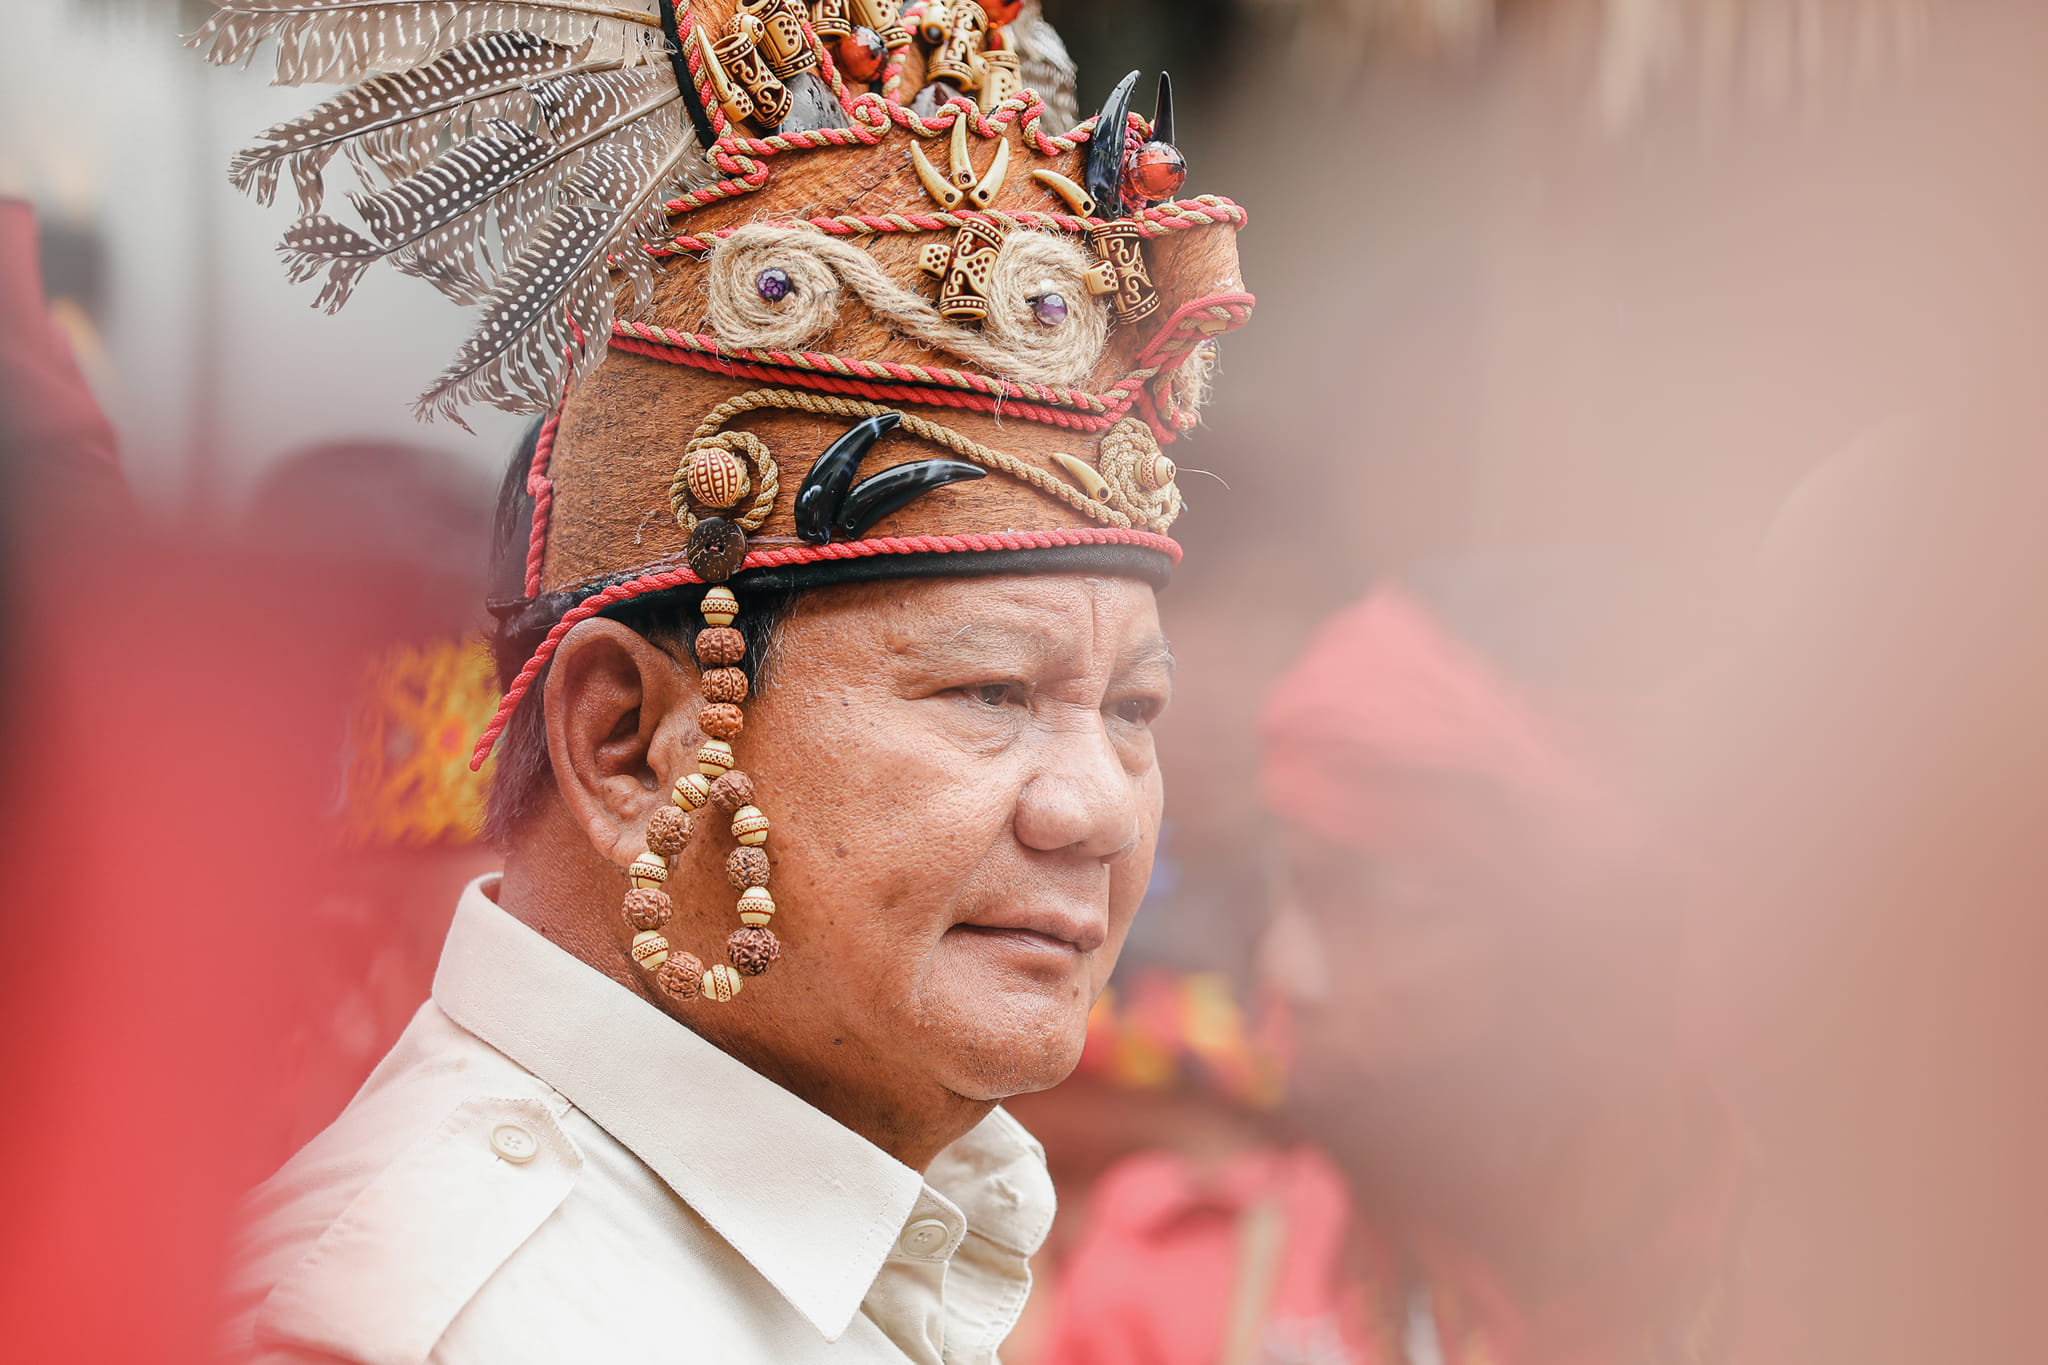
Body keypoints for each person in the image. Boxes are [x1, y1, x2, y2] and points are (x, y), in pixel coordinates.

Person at [198, 1, 1252, 1361]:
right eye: (990, 694)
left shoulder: (872, 1255)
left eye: (1132, 712)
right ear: (625, 742)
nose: (1095, 810)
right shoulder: (436, 1322)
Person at [1038, 571, 1738, 1365]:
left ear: (1591, 957)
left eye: (1391, 904)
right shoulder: (1183, 1288)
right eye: (1295, 885)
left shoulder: (1809, 1286)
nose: (1288, 970)